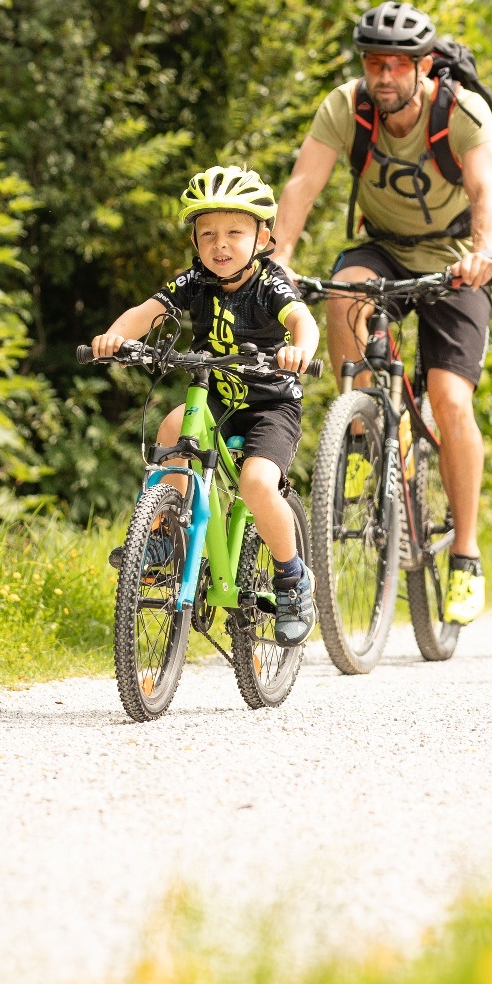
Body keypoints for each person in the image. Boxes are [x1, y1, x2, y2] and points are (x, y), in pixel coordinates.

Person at [270, 1, 492, 626]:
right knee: (343, 289)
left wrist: (485, 253)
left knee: (450, 399)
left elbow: (486, 191)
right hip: (383, 249)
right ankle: (368, 432)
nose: (384, 75)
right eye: (375, 62)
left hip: (456, 260)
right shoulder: (347, 108)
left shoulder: (461, 112)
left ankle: (465, 556)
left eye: (398, 64)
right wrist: (280, 254)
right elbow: (303, 184)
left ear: (424, 66)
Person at [91, 166, 322, 645]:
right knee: (173, 429)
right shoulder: (195, 281)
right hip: (215, 393)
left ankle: (292, 577)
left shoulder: (270, 284)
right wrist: (116, 337)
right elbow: (146, 312)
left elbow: (302, 319)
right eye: (208, 233)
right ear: (195, 241)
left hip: (269, 403)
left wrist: (301, 349)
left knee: (259, 484)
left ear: (262, 237)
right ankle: (164, 534)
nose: (220, 244)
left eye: (235, 232)